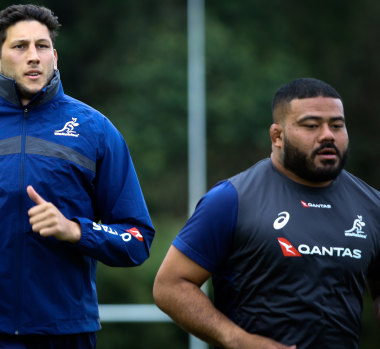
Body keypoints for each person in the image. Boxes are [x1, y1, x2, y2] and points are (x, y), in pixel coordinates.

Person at [0, 4, 155, 348]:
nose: (33, 56)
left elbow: (138, 238)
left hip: (67, 330)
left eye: (42, 46)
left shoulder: (96, 130)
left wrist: (74, 230)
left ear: (55, 57)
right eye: (20, 46)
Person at [153, 77, 380, 348]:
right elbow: (170, 285)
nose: (327, 135)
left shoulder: (372, 205)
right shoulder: (232, 199)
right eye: (311, 125)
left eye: (337, 125)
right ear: (277, 136)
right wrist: (239, 340)